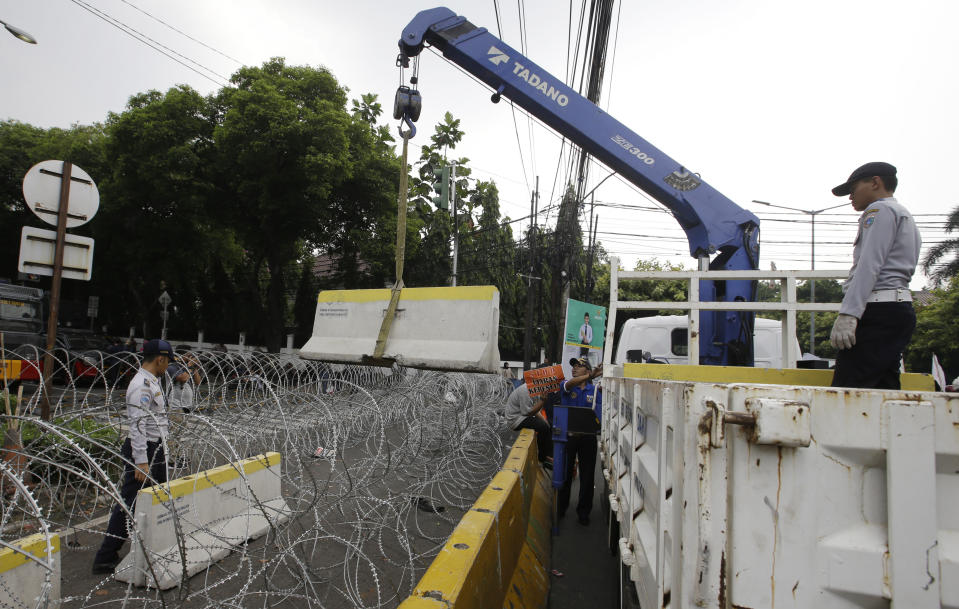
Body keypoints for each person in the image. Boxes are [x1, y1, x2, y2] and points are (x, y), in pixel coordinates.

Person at [827, 162, 921, 389]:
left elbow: (869, 265)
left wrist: (849, 313)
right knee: (883, 389)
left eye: (853, 188)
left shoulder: (879, 211)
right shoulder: (903, 214)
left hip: (878, 312)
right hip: (897, 309)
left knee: (849, 390)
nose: (850, 196)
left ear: (875, 182)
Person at [91, 338, 176, 574]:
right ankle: (105, 556)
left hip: (153, 448)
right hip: (144, 450)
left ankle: (149, 547)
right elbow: (137, 425)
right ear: (160, 358)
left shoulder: (152, 381)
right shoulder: (142, 387)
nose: (168, 366)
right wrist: (141, 461)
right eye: (167, 361)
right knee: (129, 503)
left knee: (151, 500)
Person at [558, 357, 602, 526]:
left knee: (587, 476)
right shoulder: (567, 385)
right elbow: (568, 386)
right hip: (568, 437)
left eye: (579, 366)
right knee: (565, 474)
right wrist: (590, 376)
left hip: (588, 438)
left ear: (587, 369)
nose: (574, 368)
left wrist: (592, 379)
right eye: (573, 366)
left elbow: (598, 415)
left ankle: (584, 512)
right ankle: (561, 508)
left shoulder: (596, 390)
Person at [504, 382, 554, 466]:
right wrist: (542, 401)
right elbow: (527, 412)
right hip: (516, 420)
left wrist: (545, 421)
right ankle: (543, 457)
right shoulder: (526, 390)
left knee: (547, 425)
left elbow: (534, 409)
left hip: (522, 416)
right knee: (543, 427)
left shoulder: (536, 389)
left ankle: (548, 454)